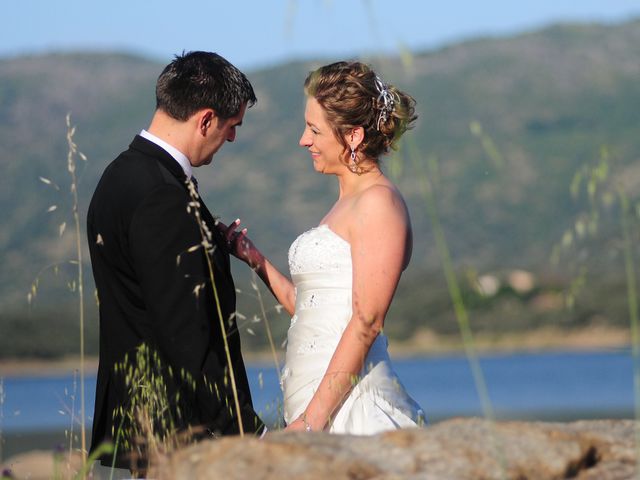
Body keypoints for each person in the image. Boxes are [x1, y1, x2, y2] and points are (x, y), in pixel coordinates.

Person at [86, 51, 265, 473]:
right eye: (231, 126)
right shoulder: (163, 195)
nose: (233, 139)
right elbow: (188, 331)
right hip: (184, 433)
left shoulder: (118, 176)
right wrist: (243, 429)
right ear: (205, 120)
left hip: (147, 419)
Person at [223, 61, 425, 434]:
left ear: (352, 136)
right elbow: (313, 311)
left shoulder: (378, 203)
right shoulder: (344, 204)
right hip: (313, 400)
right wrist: (254, 259)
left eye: (314, 130)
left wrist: (311, 422)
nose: (304, 140)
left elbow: (366, 322)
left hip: (352, 406)